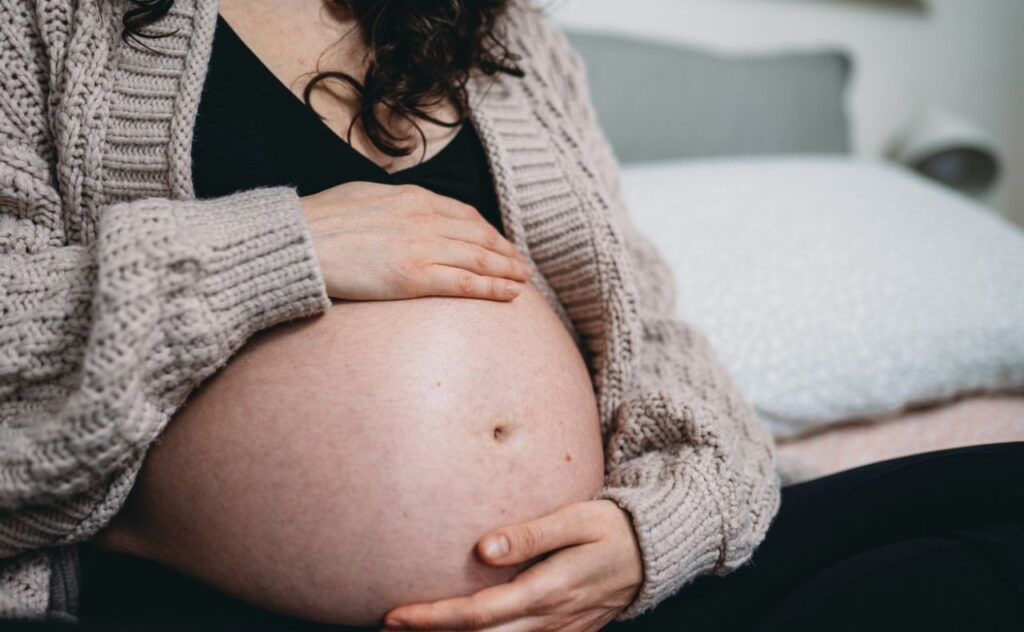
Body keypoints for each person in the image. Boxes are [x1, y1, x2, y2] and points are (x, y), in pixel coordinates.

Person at [3, 2, 1021, 631]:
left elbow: (642, 323)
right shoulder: (48, 19)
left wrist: (656, 530)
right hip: (200, 600)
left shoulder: (503, 31)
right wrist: (280, 248)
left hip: (600, 597)